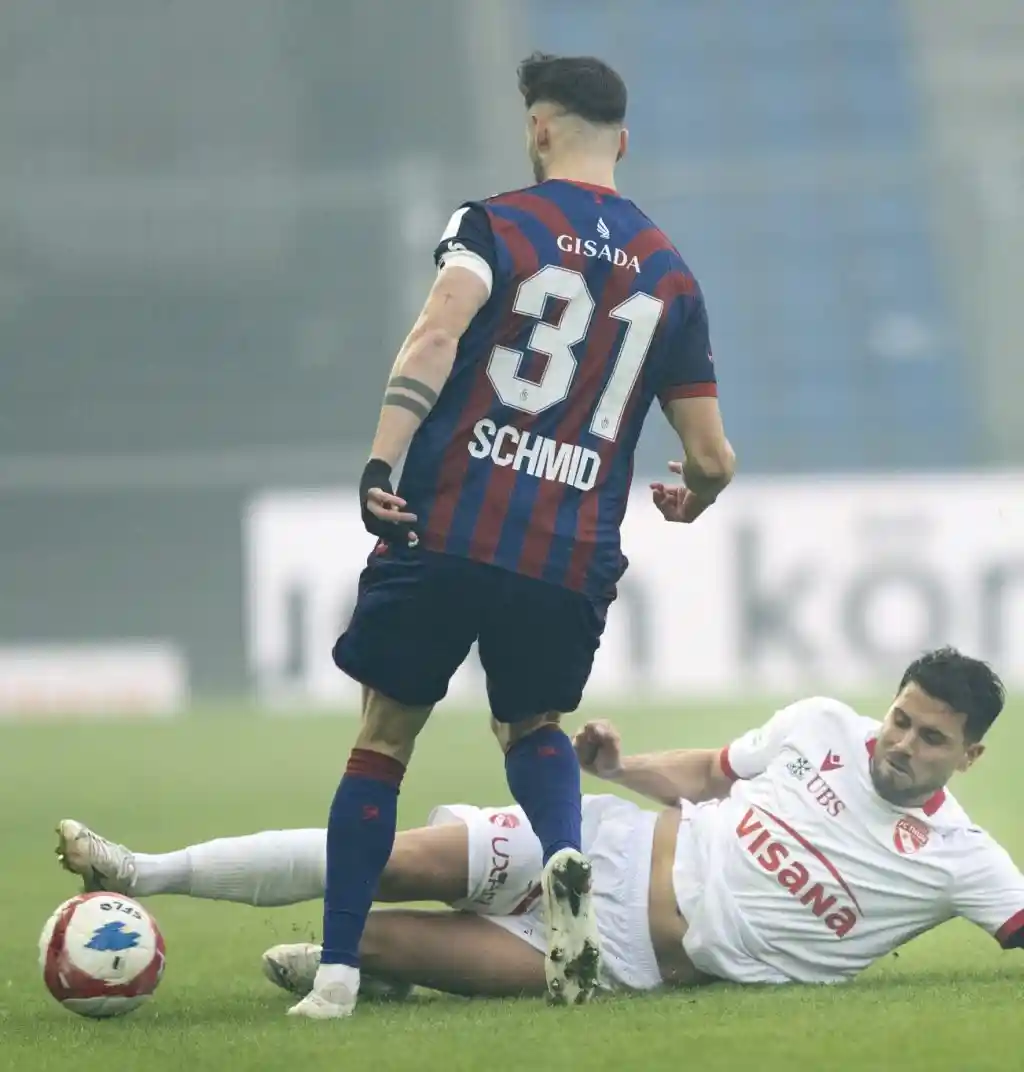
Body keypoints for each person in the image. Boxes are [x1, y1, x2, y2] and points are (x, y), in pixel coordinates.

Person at [314, 50, 734, 1015]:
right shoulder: (671, 275)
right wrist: (696, 499)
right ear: (623, 142)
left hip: (448, 525)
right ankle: (566, 860)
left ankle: (337, 972)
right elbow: (710, 454)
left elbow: (436, 335)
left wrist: (381, 463)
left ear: (540, 129)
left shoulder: (493, 224)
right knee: (532, 726)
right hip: (565, 550)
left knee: (383, 739)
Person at [57, 648, 1023, 1001]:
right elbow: (708, 774)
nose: (900, 745)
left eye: (930, 739)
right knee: (380, 866)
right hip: (596, 846)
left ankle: (375, 974)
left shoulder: (961, 861)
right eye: (900, 719)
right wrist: (618, 768)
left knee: (368, 941)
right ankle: (141, 869)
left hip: (623, 957)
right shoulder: (821, 726)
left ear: (969, 756)